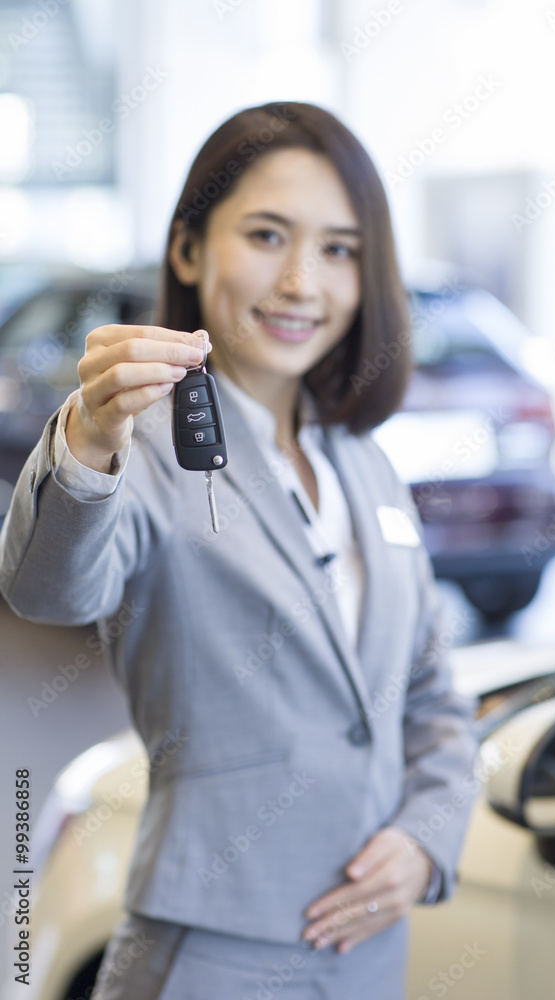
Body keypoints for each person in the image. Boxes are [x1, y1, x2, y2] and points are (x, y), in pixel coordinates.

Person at [0, 101, 479, 999]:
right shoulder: (140, 445)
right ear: (187, 250)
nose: (302, 280)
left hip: (370, 947)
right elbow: (46, 591)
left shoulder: (363, 465)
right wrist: (87, 438)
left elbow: (432, 697)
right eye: (266, 234)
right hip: (211, 949)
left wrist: (425, 839)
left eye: (339, 248)